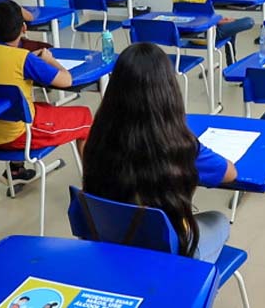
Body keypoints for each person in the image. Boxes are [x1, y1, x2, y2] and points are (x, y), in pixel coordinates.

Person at [83, 43, 237, 263]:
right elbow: (230, 174)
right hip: (169, 254)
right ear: (168, 91)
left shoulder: (98, 137)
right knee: (219, 220)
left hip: (111, 243)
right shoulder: (180, 144)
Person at [0, 1, 92, 185]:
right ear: (24, 28)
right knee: (85, 117)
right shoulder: (24, 59)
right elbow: (66, 80)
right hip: (20, 136)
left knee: (37, 106)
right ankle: (93, 182)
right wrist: (50, 60)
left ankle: (15, 169)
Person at [173, 0, 254, 65]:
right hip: (207, 37)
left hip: (187, 35)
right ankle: (231, 65)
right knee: (248, 21)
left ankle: (232, 63)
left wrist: (220, 19)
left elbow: (182, 17)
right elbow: (211, 22)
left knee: (229, 25)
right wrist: (225, 20)